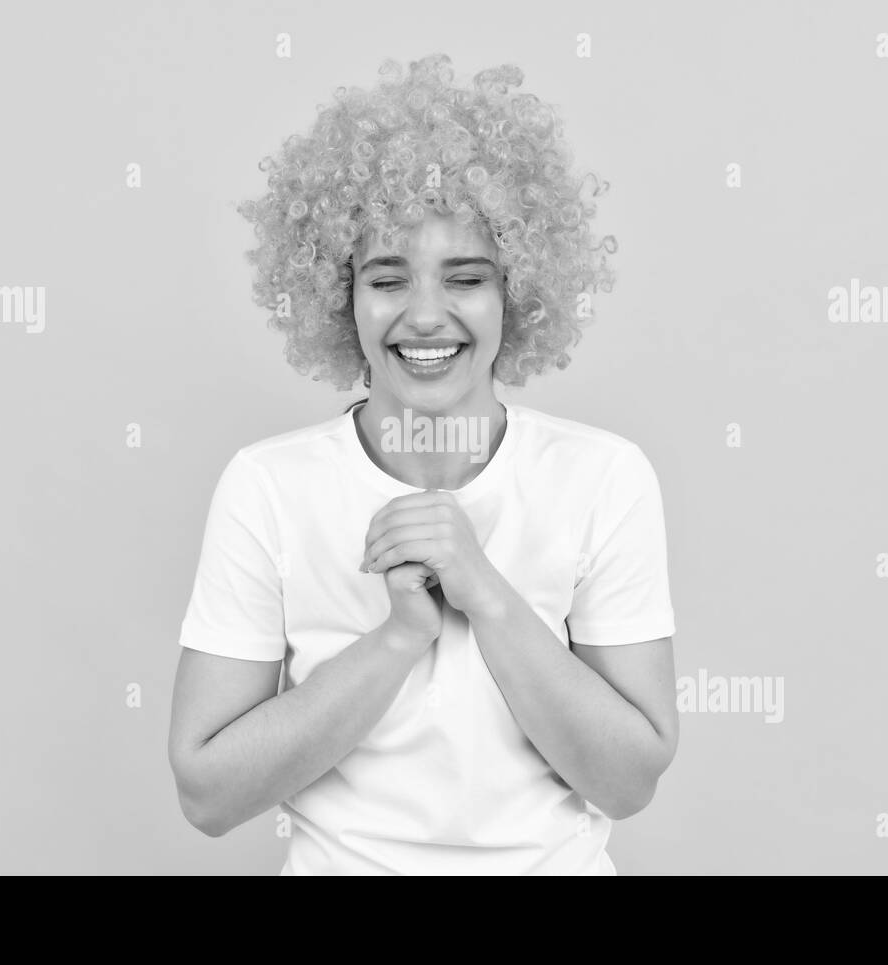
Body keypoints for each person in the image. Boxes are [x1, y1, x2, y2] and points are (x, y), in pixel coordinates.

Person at [167, 54, 679, 875]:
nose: (426, 314)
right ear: (341, 297)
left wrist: (484, 592)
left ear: (519, 291)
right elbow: (208, 794)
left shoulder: (604, 479)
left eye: (466, 277)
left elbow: (627, 780)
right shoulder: (269, 488)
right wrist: (401, 638)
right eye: (387, 277)